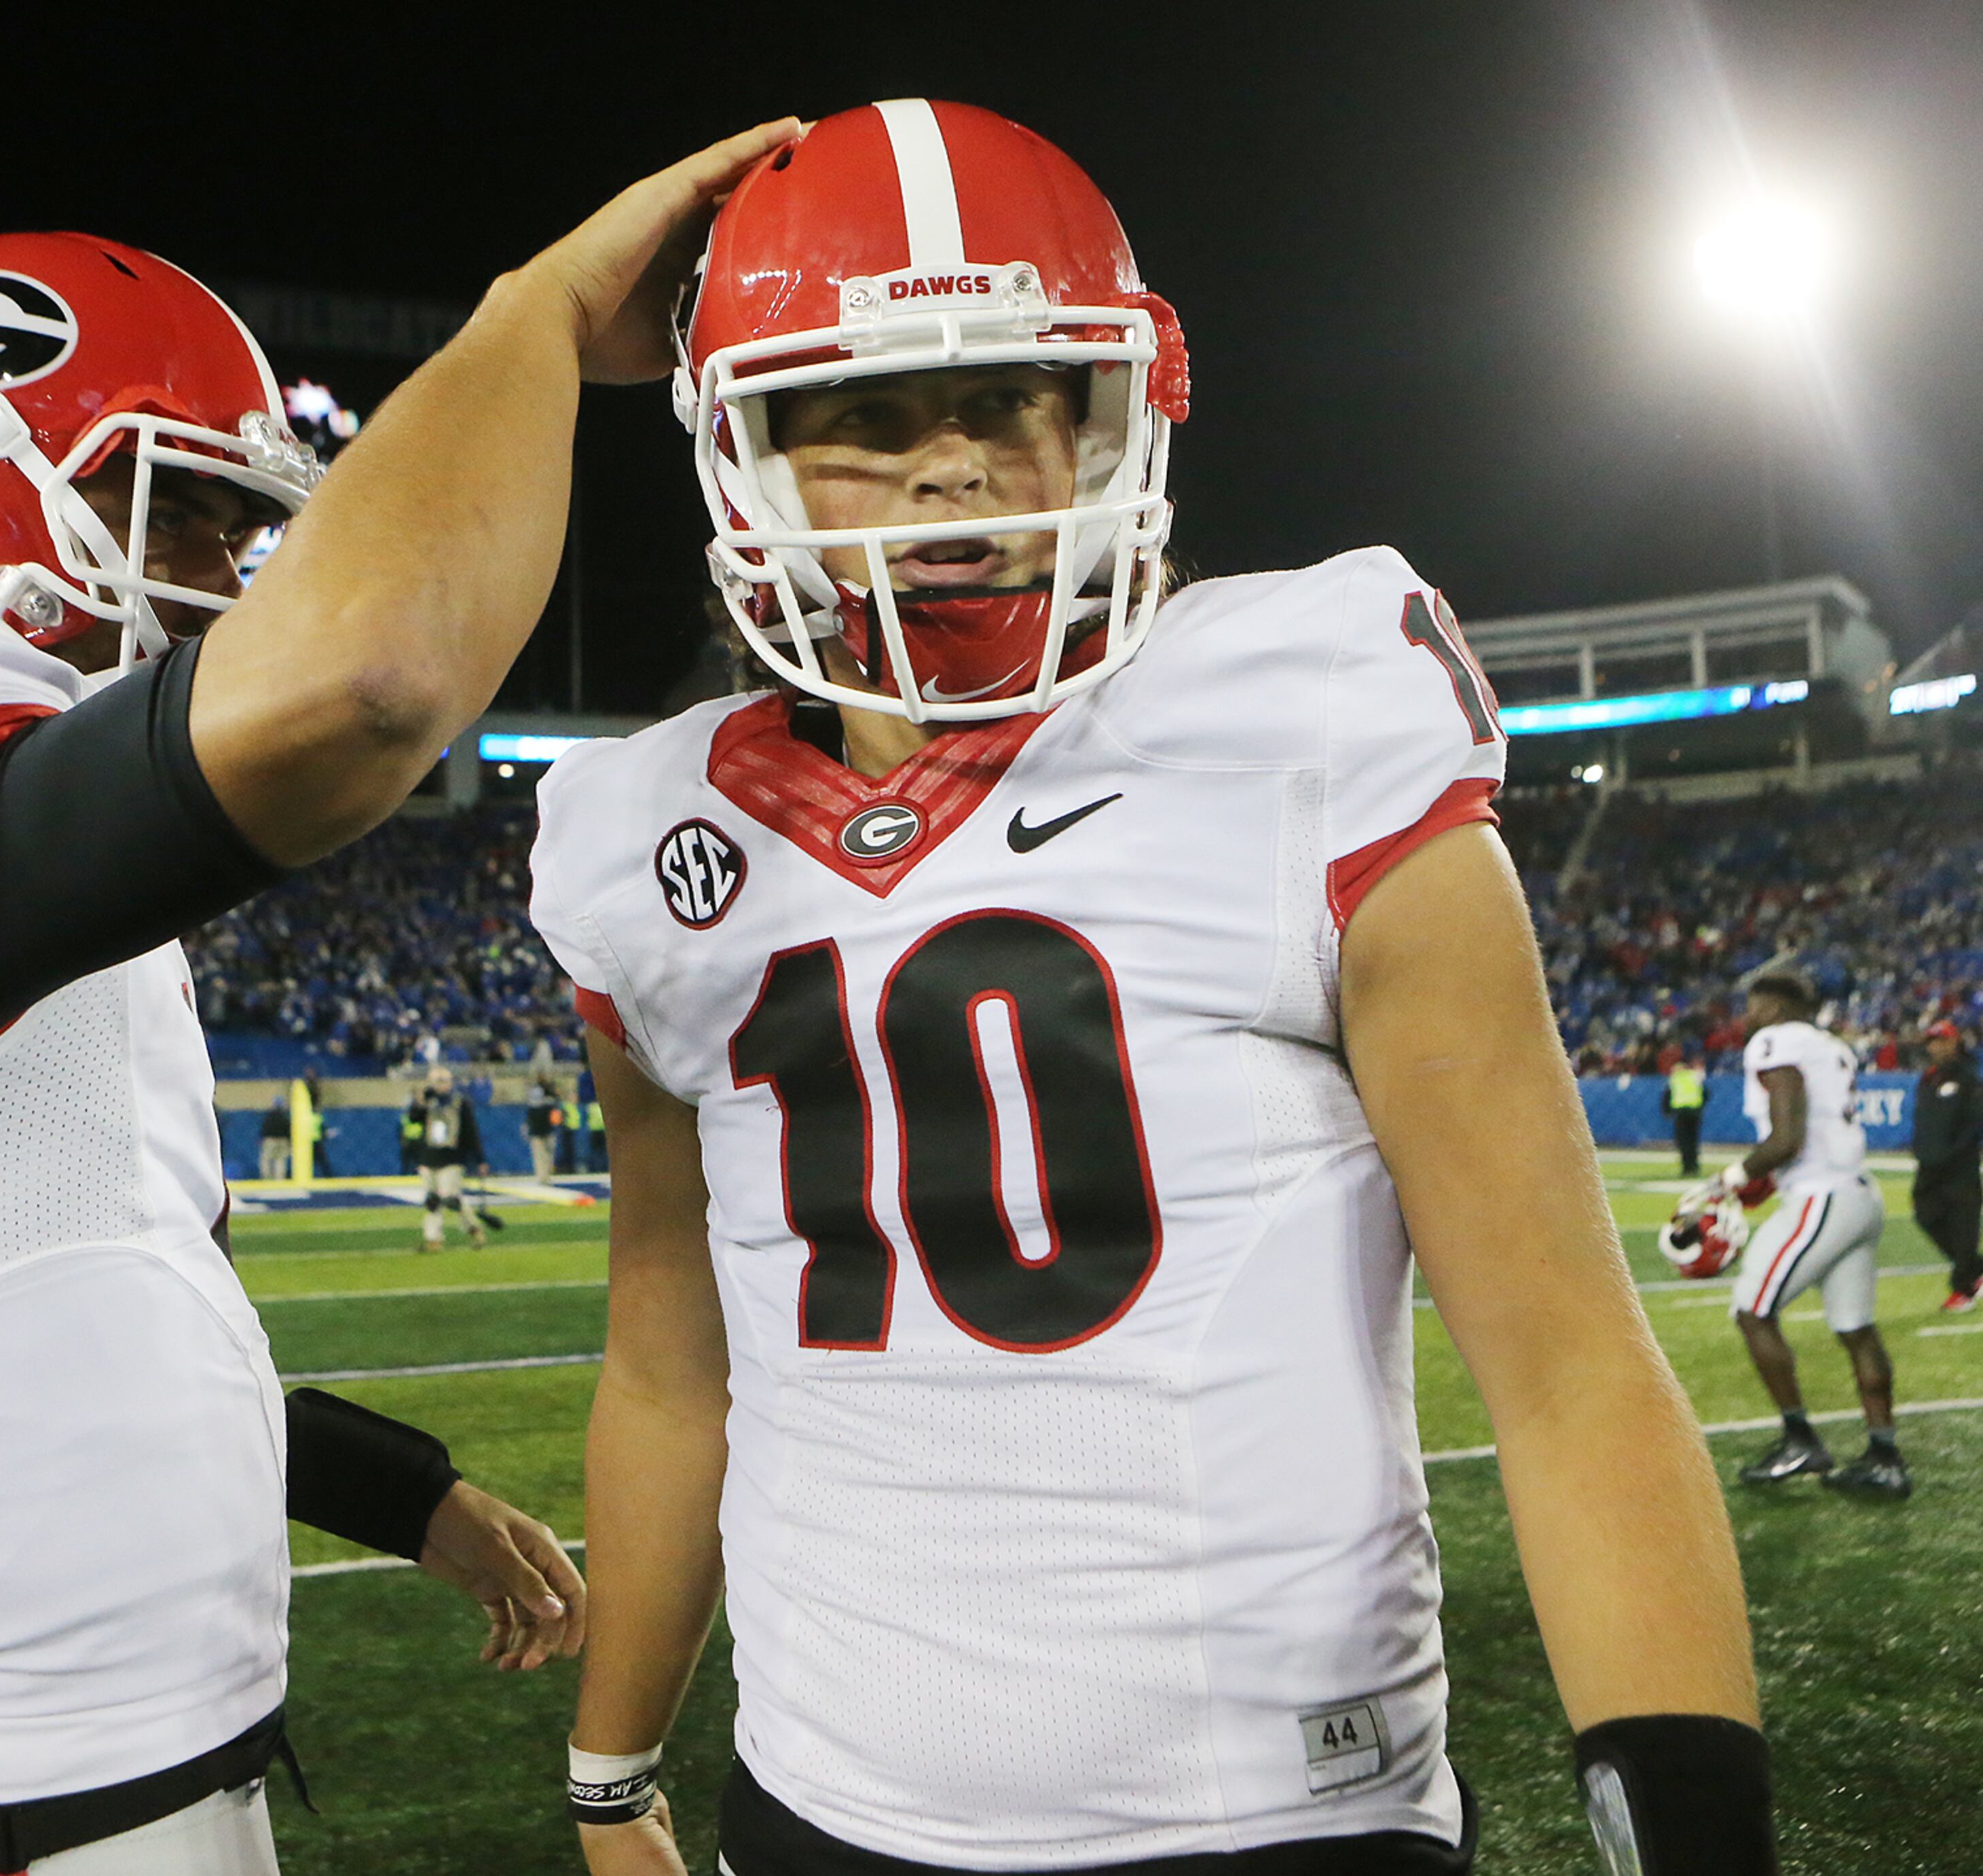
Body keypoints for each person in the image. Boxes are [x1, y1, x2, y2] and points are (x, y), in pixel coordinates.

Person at [533, 101, 1773, 1876]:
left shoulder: (1300, 712)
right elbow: (670, 1368)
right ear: (745, 460)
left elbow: (1569, 1369)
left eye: (1005, 401)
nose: (949, 470)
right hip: (815, 1815)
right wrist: (608, 1773)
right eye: (865, 418)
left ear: (1117, 414)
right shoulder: (646, 839)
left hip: (1278, 1825)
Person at [0, 119, 796, 1875]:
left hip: (98, 1795)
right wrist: (529, 320)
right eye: (186, 504)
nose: (231, 568)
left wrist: (404, 1492)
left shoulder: (61, 900)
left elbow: (71, 1328)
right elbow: (367, 682)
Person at [1712, 974, 1905, 1498]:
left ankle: (1800, 1439)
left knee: (1753, 1309)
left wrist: (1727, 1180)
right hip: (1861, 1195)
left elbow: (1788, 1138)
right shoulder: (1832, 1046)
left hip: (1821, 1196)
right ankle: (1884, 1456)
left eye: (1752, 1005)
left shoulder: (1777, 1041)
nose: (1746, 1015)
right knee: (1856, 1328)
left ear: (1774, 1006)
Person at [1910, 1018, 1982, 1310]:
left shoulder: (1969, 1079)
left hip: (1959, 1166)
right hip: (1929, 1165)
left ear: (1955, 1042)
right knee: (1926, 1215)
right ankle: (1976, 1269)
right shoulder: (1928, 1079)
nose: (1937, 1047)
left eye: (1942, 1040)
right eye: (1932, 1041)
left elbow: (1976, 1122)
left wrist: (1956, 1152)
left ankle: (1963, 1288)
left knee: (1964, 1226)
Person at [409, 1065, 487, 1251]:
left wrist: (480, 1158)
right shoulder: (428, 1102)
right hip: (429, 1157)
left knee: (451, 1199)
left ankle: (474, 1228)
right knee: (432, 1201)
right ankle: (433, 1239)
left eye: (444, 1081)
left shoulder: (460, 1102)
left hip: (452, 1158)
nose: (441, 1085)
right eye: (437, 1081)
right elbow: (414, 1118)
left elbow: (470, 1131)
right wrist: (420, 1100)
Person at [1667, 1052, 1707, 1177]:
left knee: (1683, 1142)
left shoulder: (1675, 1078)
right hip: (1694, 1112)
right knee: (1693, 1141)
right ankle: (1694, 1166)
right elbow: (1705, 1093)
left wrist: (1668, 1111)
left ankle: (1687, 1168)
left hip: (1681, 1112)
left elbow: (1668, 1095)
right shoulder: (1695, 1076)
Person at [525, 1077, 563, 1183]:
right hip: (547, 1133)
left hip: (539, 1133)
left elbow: (529, 1121)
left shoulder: (533, 1106)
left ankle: (542, 1176)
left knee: (540, 1157)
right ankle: (545, 1177)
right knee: (547, 1156)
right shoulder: (550, 1104)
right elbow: (555, 1120)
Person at [258, 1097, 293, 1182]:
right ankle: (279, 1180)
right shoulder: (285, 1117)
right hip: (283, 1141)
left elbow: (265, 1128)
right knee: (280, 1160)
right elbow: (289, 1130)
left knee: (266, 1160)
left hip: (270, 1141)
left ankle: (267, 1179)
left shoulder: (269, 1116)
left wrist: (262, 1138)